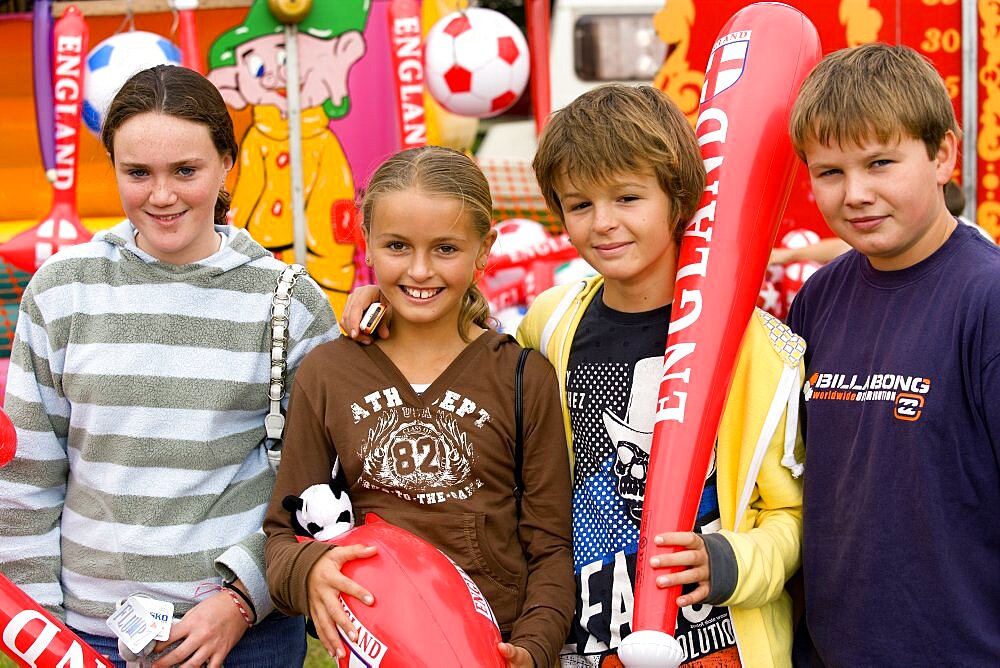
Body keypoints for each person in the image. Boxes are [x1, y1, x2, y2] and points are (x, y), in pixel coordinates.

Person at [343, 85, 806, 667]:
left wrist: (733, 560)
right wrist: (382, 299)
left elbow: (791, 514)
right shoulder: (552, 321)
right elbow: (465, 337)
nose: (604, 223)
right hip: (582, 639)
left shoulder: (752, 344)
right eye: (580, 205)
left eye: (628, 198)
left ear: (679, 197)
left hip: (715, 643)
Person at [0, 64, 338, 667]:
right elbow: (28, 478)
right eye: (138, 173)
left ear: (226, 162)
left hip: (245, 638)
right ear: (113, 168)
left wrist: (243, 599)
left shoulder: (290, 301)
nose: (162, 195)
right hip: (85, 634)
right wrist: (43, 632)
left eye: (186, 170)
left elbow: (320, 481)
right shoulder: (61, 291)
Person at [264, 145, 574, 668]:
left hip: (491, 650)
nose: (421, 270)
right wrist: (309, 570)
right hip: (379, 651)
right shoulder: (329, 373)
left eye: (446, 248)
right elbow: (281, 533)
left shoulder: (522, 377)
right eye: (398, 246)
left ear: (484, 249)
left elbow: (549, 548)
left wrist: (534, 648)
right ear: (367, 243)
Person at [786, 43, 1000, 664]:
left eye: (881, 162)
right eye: (830, 172)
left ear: (943, 156)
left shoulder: (985, 300)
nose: (855, 193)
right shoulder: (819, 297)